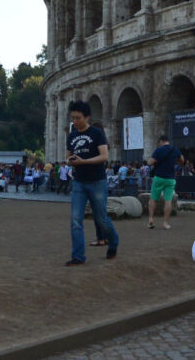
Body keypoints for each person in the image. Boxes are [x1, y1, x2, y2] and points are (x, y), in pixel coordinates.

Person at [64, 100, 118, 265]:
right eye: (72, 118)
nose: (75, 121)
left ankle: (114, 242)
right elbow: (67, 157)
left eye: (78, 118)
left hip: (97, 181)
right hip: (79, 182)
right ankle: (78, 256)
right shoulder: (71, 136)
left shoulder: (96, 133)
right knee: (75, 220)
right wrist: (71, 161)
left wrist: (83, 162)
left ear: (87, 117)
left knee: (101, 218)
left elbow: (104, 156)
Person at [147, 134, 184, 230]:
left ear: (161, 141)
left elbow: (150, 162)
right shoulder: (175, 150)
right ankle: (165, 223)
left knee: (153, 199)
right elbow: (182, 160)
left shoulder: (158, 150)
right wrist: (175, 162)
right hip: (170, 179)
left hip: (159, 177)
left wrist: (155, 160)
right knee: (168, 200)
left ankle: (151, 219)